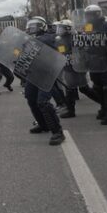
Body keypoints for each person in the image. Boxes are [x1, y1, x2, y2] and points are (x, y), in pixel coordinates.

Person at [23, 16, 66, 146]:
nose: (31, 28)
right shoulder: (30, 40)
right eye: (30, 26)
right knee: (31, 98)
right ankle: (43, 124)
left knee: (43, 102)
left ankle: (58, 132)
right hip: (33, 73)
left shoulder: (49, 38)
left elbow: (50, 45)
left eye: (34, 26)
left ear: (42, 27)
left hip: (46, 74)